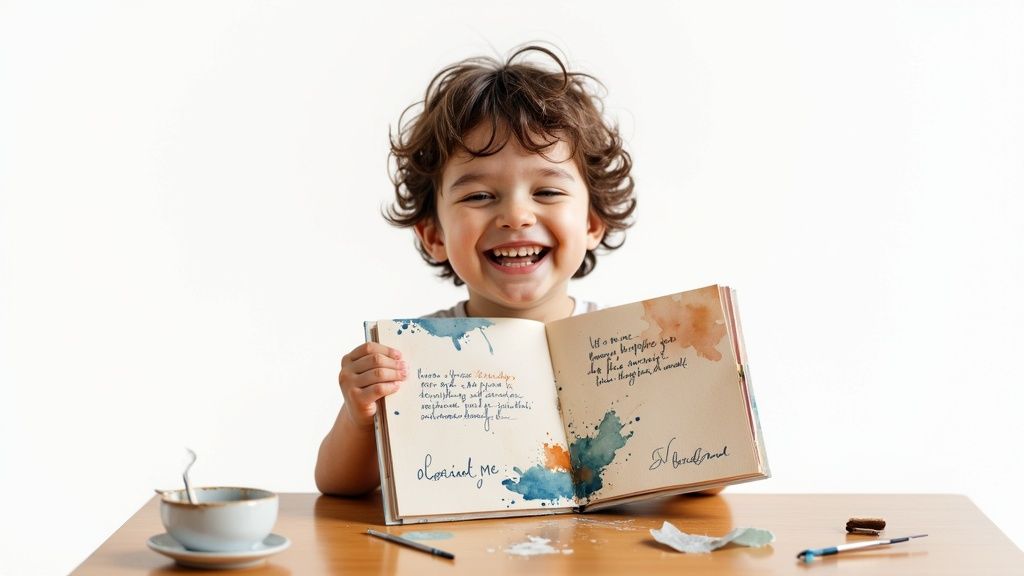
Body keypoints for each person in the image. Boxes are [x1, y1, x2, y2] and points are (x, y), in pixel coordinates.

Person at [315, 44, 636, 495]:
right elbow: (338, 486)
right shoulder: (411, 357)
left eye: (546, 192)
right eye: (480, 196)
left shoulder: (631, 350)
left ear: (591, 224)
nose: (517, 216)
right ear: (435, 236)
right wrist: (359, 413)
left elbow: (699, 481)